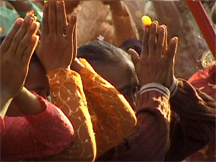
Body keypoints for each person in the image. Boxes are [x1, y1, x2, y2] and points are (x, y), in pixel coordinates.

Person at [7, 0, 136, 161]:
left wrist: (71, 62)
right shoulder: (10, 135)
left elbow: (122, 122)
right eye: (34, 92)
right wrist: (59, 70)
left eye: (49, 93)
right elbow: (80, 150)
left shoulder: (46, 132)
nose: (47, 102)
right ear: (9, 86)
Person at [78, 22, 216, 161]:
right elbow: (143, 154)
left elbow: (207, 123)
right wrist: (155, 88)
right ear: (86, 99)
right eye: (120, 95)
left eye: (136, 90)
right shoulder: (86, 144)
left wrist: (171, 85)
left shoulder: (145, 122)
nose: (132, 102)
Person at [0, 15, 75, 161]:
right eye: (35, 93)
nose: (45, 102)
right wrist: (5, 90)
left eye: (46, 95)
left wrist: (16, 89)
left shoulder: (10, 133)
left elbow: (60, 136)